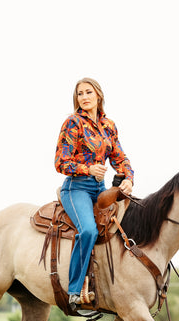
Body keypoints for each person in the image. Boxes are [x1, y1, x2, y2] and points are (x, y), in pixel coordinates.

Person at [54, 77, 134, 308]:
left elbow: (119, 157)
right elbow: (60, 162)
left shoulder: (109, 125)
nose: (85, 97)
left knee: (128, 225)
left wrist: (128, 178)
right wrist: (87, 168)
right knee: (88, 230)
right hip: (76, 188)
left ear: (98, 95)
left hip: (100, 189)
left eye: (89, 92)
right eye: (80, 94)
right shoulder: (73, 123)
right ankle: (74, 289)